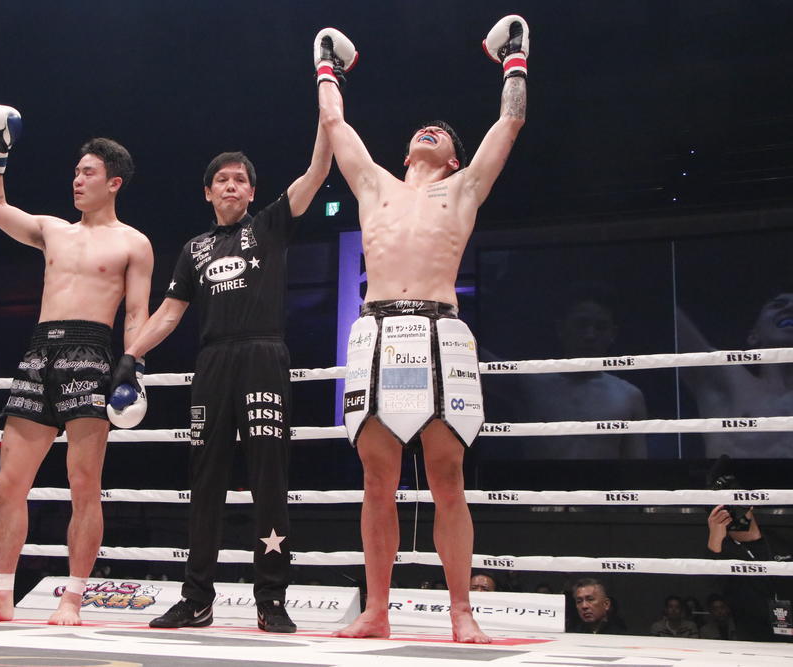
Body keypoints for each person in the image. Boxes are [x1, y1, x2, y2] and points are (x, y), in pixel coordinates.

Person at [317, 16, 528, 643]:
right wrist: (326, 66)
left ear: (454, 157)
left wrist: (515, 60)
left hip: (439, 335)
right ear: (408, 152)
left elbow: (509, 123)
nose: (429, 130)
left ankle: (462, 611)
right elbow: (335, 124)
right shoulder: (373, 185)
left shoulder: (464, 189)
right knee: (376, 482)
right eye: (421, 131)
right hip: (378, 333)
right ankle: (377, 609)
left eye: (443, 134)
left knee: (448, 479)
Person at [116, 123, 332, 632]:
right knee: (205, 480)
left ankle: (271, 599)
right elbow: (169, 313)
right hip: (212, 364)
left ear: (252, 192)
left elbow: (317, 170)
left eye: (240, 180)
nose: (231, 186)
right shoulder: (194, 249)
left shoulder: (270, 226)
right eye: (222, 180)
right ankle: (196, 599)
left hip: (263, 357)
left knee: (269, 479)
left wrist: (328, 114)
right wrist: (131, 355)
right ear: (208, 192)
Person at [0, 106, 153, 625]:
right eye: (76, 171)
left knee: (84, 485)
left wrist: (132, 367)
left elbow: (136, 313)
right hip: (39, 353)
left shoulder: (133, 242)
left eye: (88, 172)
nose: (77, 180)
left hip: (93, 353)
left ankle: (73, 597)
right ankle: (0, 594)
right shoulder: (52, 230)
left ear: (114, 182)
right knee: (9, 482)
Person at [482, 287, 648, 459]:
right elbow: (479, 363)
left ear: (612, 334)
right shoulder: (531, 383)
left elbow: (637, 463)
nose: (590, 335)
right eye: (581, 325)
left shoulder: (628, 396)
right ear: (561, 328)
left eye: (600, 327)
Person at [677, 294, 793, 458]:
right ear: (753, 336)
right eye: (778, 305)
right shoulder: (728, 376)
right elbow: (665, 310)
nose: (790, 308)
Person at [706, 504, 793, 641]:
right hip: (753, 636)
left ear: (749, 505)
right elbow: (713, 584)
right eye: (723, 512)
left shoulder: (778, 540)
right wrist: (715, 538)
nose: (730, 515)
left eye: (732, 508)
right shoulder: (721, 551)